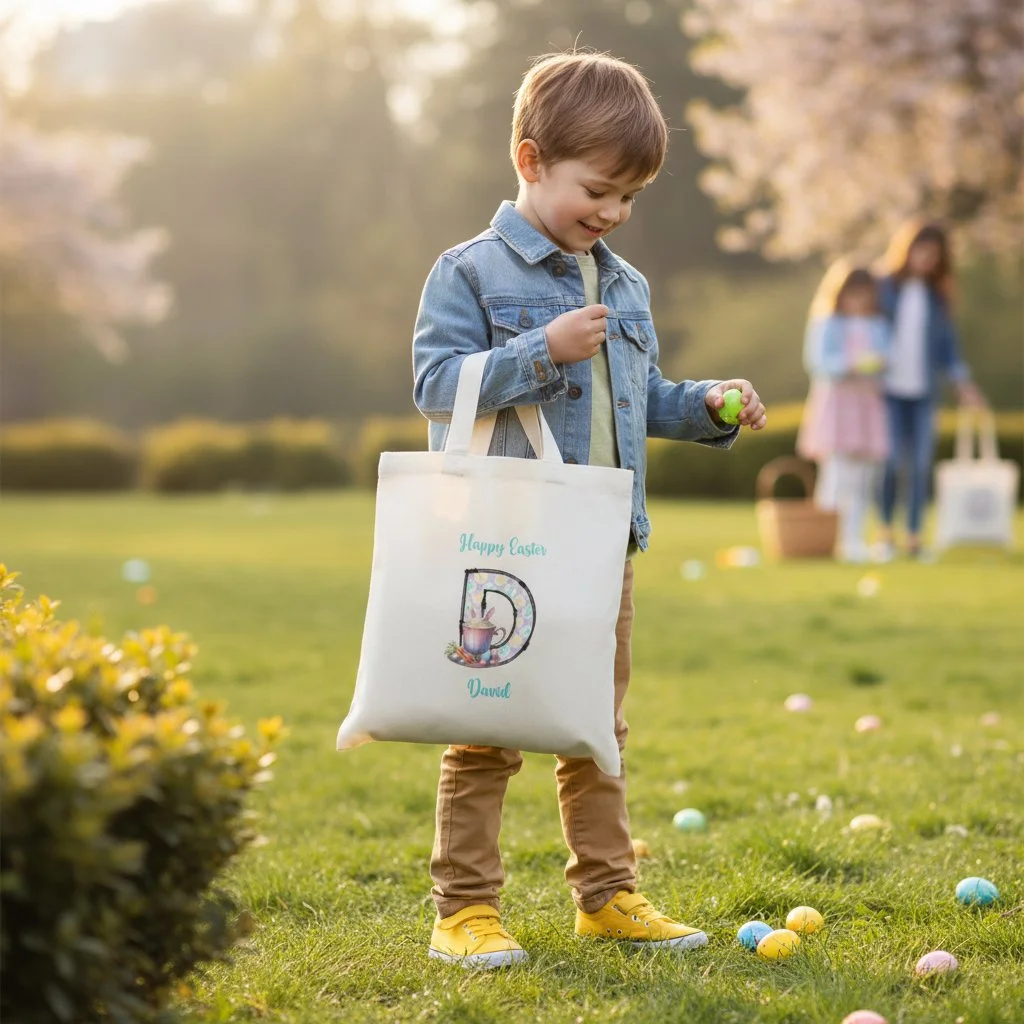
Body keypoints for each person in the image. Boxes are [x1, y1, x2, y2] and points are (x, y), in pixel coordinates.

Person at [411, 51, 767, 968]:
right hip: (506, 544)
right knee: (487, 724)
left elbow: (640, 399)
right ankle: (465, 912)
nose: (611, 213)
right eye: (598, 189)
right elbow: (435, 384)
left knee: (595, 732)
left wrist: (711, 407)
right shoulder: (470, 273)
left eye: (628, 198)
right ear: (531, 161)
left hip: (603, 546)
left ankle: (607, 896)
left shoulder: (626, 283)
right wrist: (543, 348)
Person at [874, 220, 985, 559]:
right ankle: (885, 535)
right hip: (887, 392)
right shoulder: (884, 287)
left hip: (923, 392)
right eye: (919, 251)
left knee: (920, 464)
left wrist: (964, 384)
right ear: (905, 250)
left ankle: (914, 537)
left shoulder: (939, 297)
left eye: (933, 254)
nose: (925, 259)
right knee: (891, 462)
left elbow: (948, 349)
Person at [797, 263, 891, 562]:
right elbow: (818, 363)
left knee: (865, 477)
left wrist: (879, 363)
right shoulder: (827, 323)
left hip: (867, 404)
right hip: (838, 405)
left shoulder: (878, 325)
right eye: (853, 295)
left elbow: (888, 359)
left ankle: (854, 539)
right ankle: (828, 539)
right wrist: (850, 364)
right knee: (837, 474)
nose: (859, 302)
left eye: (865, 296)